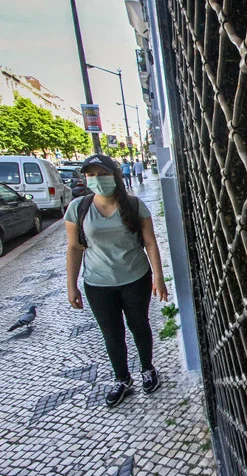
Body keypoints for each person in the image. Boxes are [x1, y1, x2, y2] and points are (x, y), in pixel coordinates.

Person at [65, 154, 169, 407]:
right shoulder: (78, 208)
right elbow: (74, 248)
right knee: (111, 333)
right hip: (98, 283)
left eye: (102, 174)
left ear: (115, 176)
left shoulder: (133, 205)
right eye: (91, 175)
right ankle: (122, 379)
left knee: (139, 325)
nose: (97, 180)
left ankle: (147, 368)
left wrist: (159, 277)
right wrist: (72, 285)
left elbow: (149, 242)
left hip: (134, 277)